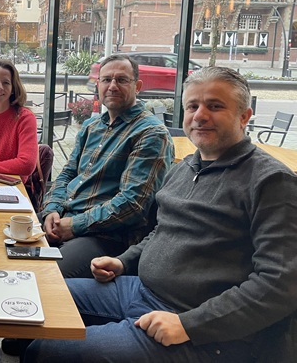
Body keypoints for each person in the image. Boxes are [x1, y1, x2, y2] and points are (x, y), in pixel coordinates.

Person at [25, 66, 297, 362]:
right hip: (138, 290)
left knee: (48, 351)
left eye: (215, 106)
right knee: (37, 296)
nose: (200, 115)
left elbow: (279, 285)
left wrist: (189, 325)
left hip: (198, 325)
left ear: (245, 116)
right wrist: (123, 261)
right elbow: (160, 231)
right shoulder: (186, 167)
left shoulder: (271, 182)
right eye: (192, 106)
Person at [42, 54, 174, 279]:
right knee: (1, 246)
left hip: (107, 237)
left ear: (138, 86)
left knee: (47, 276)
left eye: (121, 80)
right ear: (98, 84)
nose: (112, 86)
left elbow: (133, 204)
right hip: (66, 218)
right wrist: (51, 210)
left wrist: (74, 225)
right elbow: (67, 173)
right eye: (106, 80)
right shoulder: (91, 126)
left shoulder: (150, 133)